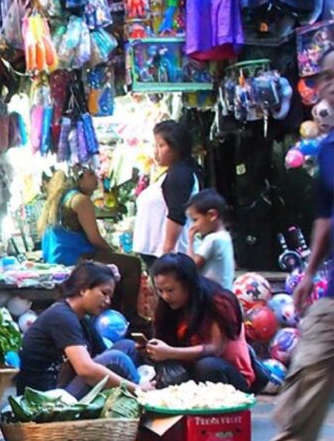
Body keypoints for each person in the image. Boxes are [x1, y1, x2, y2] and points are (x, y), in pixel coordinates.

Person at [234, 48, 334, 441]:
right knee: (308, 365)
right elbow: (326, 215)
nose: (327, 85)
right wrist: (310, 271)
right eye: (325, 76)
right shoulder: (328, 148)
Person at [39, 165, 145, 333]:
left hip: (56, 258)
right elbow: (95, 239)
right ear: (78, 177)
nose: (96, 178)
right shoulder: (80, 200)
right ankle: (129, 316)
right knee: (132, 264)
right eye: (90, 174)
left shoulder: (59, 199)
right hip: (77, 258)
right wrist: (114, 251)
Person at [17, 262, 146, 397]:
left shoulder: (82, 319)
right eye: (104, 293)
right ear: (83, 289)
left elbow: (102, 355)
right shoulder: (62, 316)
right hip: (45, 397)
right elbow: (85, 370)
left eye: (110, 297)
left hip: (66, 384)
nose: (108, 301)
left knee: (128, 346)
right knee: (116, 358)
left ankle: (142, 388)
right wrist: (138, 389)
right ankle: (145, 398)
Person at [147, 254, 254, 392]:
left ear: (188, 284)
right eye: (160, 291)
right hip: (191, 374)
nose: (165, 296)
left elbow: (215, 349)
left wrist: (170, 352)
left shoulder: (219, 301)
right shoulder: (168, 307)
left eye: (170, 290)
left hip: (228, 376)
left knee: (207, 366)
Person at [133, 120, 201, 266]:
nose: (156, 151)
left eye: (161, 145)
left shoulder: (179, 174)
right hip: (160, 253)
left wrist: (167, 252)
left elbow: (176, 214)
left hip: (170, 255)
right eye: (155, 145)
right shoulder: (174, 172)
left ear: (177, 147)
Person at [185, 189, 235, 290]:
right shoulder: (225, 237)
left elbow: (190, 267)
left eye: (195, 220)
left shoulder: (211, 240)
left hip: (212, 297)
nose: (194, 226)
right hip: (226, 294)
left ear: (212, 215)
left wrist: (190, 241)